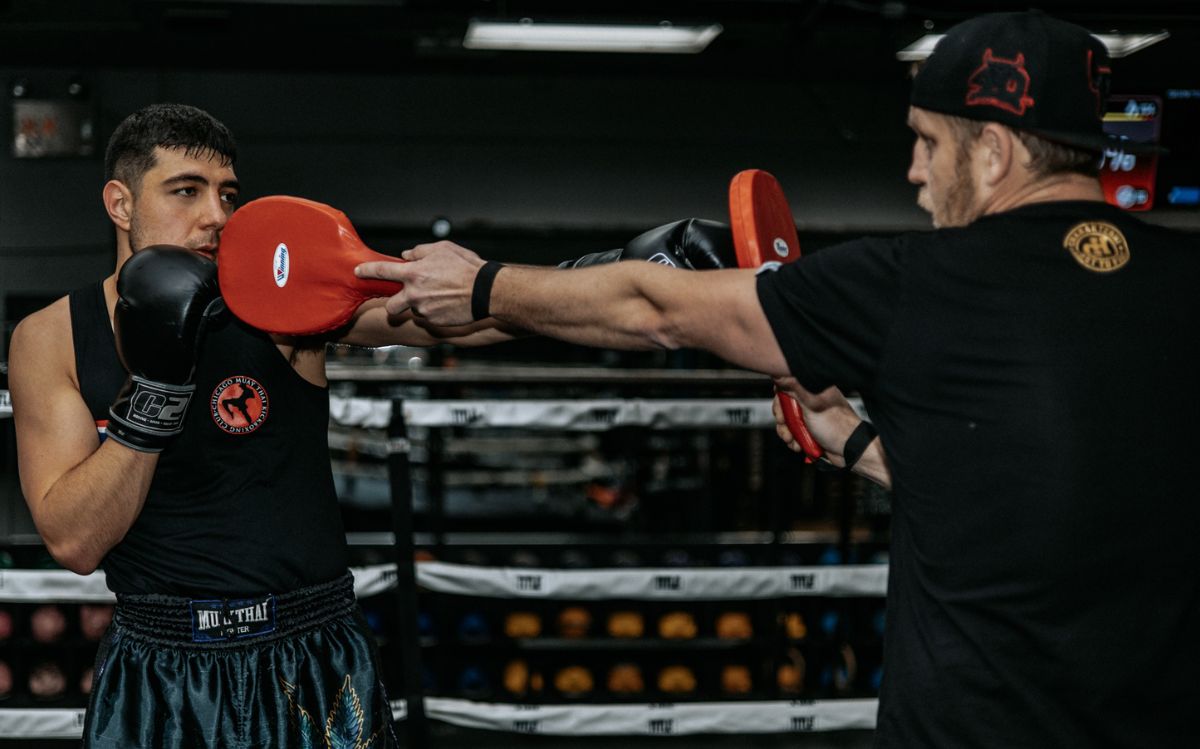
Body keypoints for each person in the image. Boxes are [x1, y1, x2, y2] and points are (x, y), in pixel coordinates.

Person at [356, 11, 1200, 747]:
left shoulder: (917, 282)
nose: (913, 171)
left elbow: (656, 306)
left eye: (926, 140)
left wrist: (482, 284)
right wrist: (863, 445)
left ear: (992, 151)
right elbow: (1047, 495)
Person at [6, 102, 736, 747]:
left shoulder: (277, 303)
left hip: (307, 654)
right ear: (119, 201)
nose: (218, 217)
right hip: (157, 670)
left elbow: (466, 313)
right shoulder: (52, 338)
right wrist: (158, 388)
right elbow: (75, 539)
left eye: (228, 193)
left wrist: (631, 269)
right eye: (186, 191)